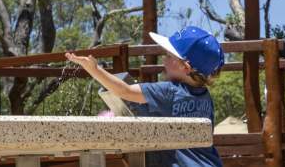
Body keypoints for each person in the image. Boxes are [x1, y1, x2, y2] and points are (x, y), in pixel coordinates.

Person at [65, 26, 225, 167]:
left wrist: (94, 70)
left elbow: (124, 91)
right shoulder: (205, 97)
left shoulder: (169, 92)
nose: (164, 59)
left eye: (169, 56)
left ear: (186, 67)